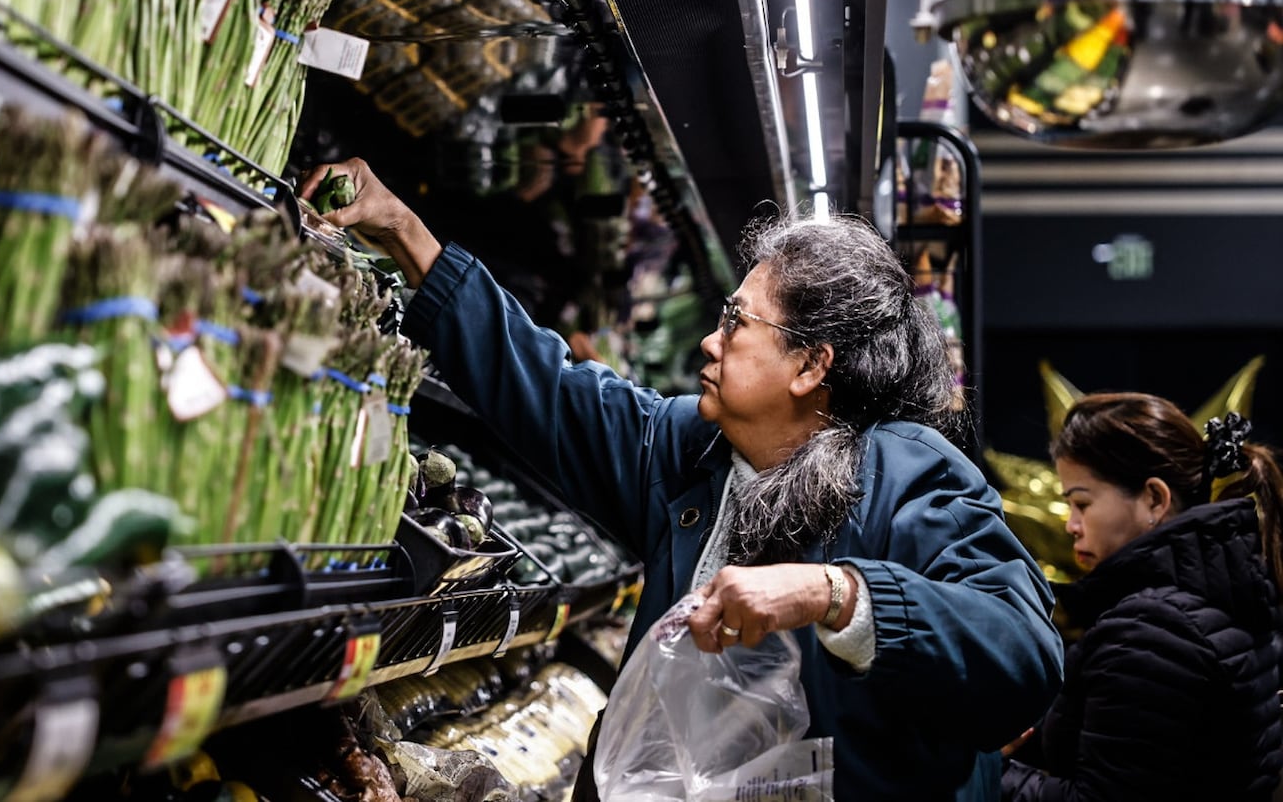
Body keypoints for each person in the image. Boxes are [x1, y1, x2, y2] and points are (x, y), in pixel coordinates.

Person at [302, 159, 1063, 801]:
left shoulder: (912, 475)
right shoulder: (688, 448)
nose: (710, 337)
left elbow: (1022, 657)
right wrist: (405, 231)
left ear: (810, 364)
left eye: (736, 321)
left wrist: (833, 593)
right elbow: (548, 386)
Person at [1002, 395, 1283, 801]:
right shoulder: (1221, 592)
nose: (1071, 526)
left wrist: (988, 773)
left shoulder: (1152, 630)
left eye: (1082, 503)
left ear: (1154, 498)